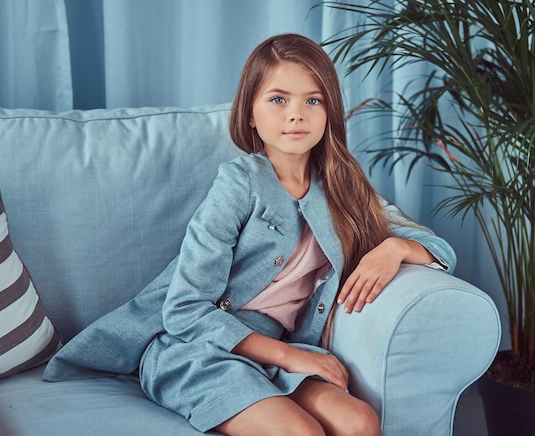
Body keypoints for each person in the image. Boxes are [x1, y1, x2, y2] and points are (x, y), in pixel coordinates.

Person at [138, 33, 456, 436]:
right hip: (202, 351)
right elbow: (184, 310)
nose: (296, 114)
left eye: (313, 100)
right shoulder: (238, 183)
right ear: (250, 113)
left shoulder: (344, 187)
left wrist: (393, 248)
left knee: (359, 422)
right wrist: (292, 357)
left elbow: (441, 250)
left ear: (329, 112)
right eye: (278, 99)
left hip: (278, 353)